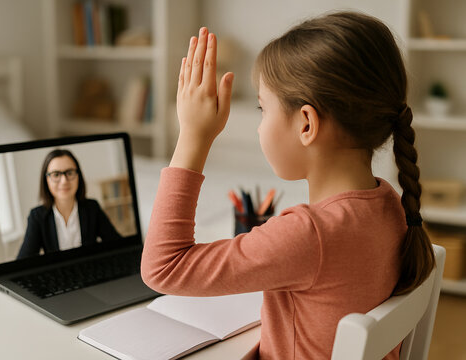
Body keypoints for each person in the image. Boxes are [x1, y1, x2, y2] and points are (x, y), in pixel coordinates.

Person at [141, 12, 435, 360]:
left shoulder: (308, 234)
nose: (259, 125)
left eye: (262, 108)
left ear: (307, 124)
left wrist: (193, 135)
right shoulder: (390, 203)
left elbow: (163, 267)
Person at [17, 149, 121, 260]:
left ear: (78, 176)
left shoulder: (92, 207)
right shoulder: (37, 216)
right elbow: (23, 261)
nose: (64, 181)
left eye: (70, 173)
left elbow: (118, 245)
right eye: (56, 175)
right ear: (46, 180)